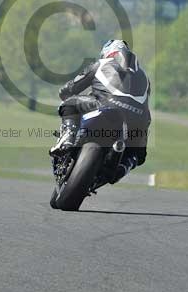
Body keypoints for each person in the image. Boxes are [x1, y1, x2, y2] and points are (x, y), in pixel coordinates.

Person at [51, 39, 151, 184]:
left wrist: (64, 93)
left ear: (107, 52)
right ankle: (124, 166)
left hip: (105, 105)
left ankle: (67, 137)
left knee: (68, 104)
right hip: (138, 121)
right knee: (137, 154)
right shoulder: (145, 78)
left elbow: (70, 88)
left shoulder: (101, 64)